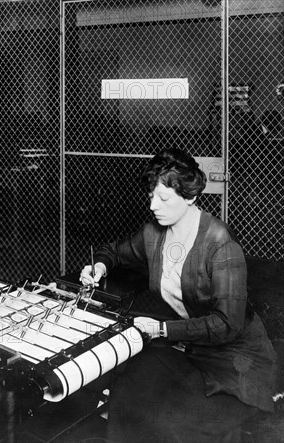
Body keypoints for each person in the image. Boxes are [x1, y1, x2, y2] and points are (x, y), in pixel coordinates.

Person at [80, 148, 276, 443]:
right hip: (193, 348)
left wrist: (161, 329)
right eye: (151, 196)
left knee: (172, 421)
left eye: (164, 198)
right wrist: (98, 266)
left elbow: (226, 324)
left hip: (237, 362)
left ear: (190, 196)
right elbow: (114, 251)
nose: (153, 206)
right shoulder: (154, 234)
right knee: (128, 385)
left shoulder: (219, 242)